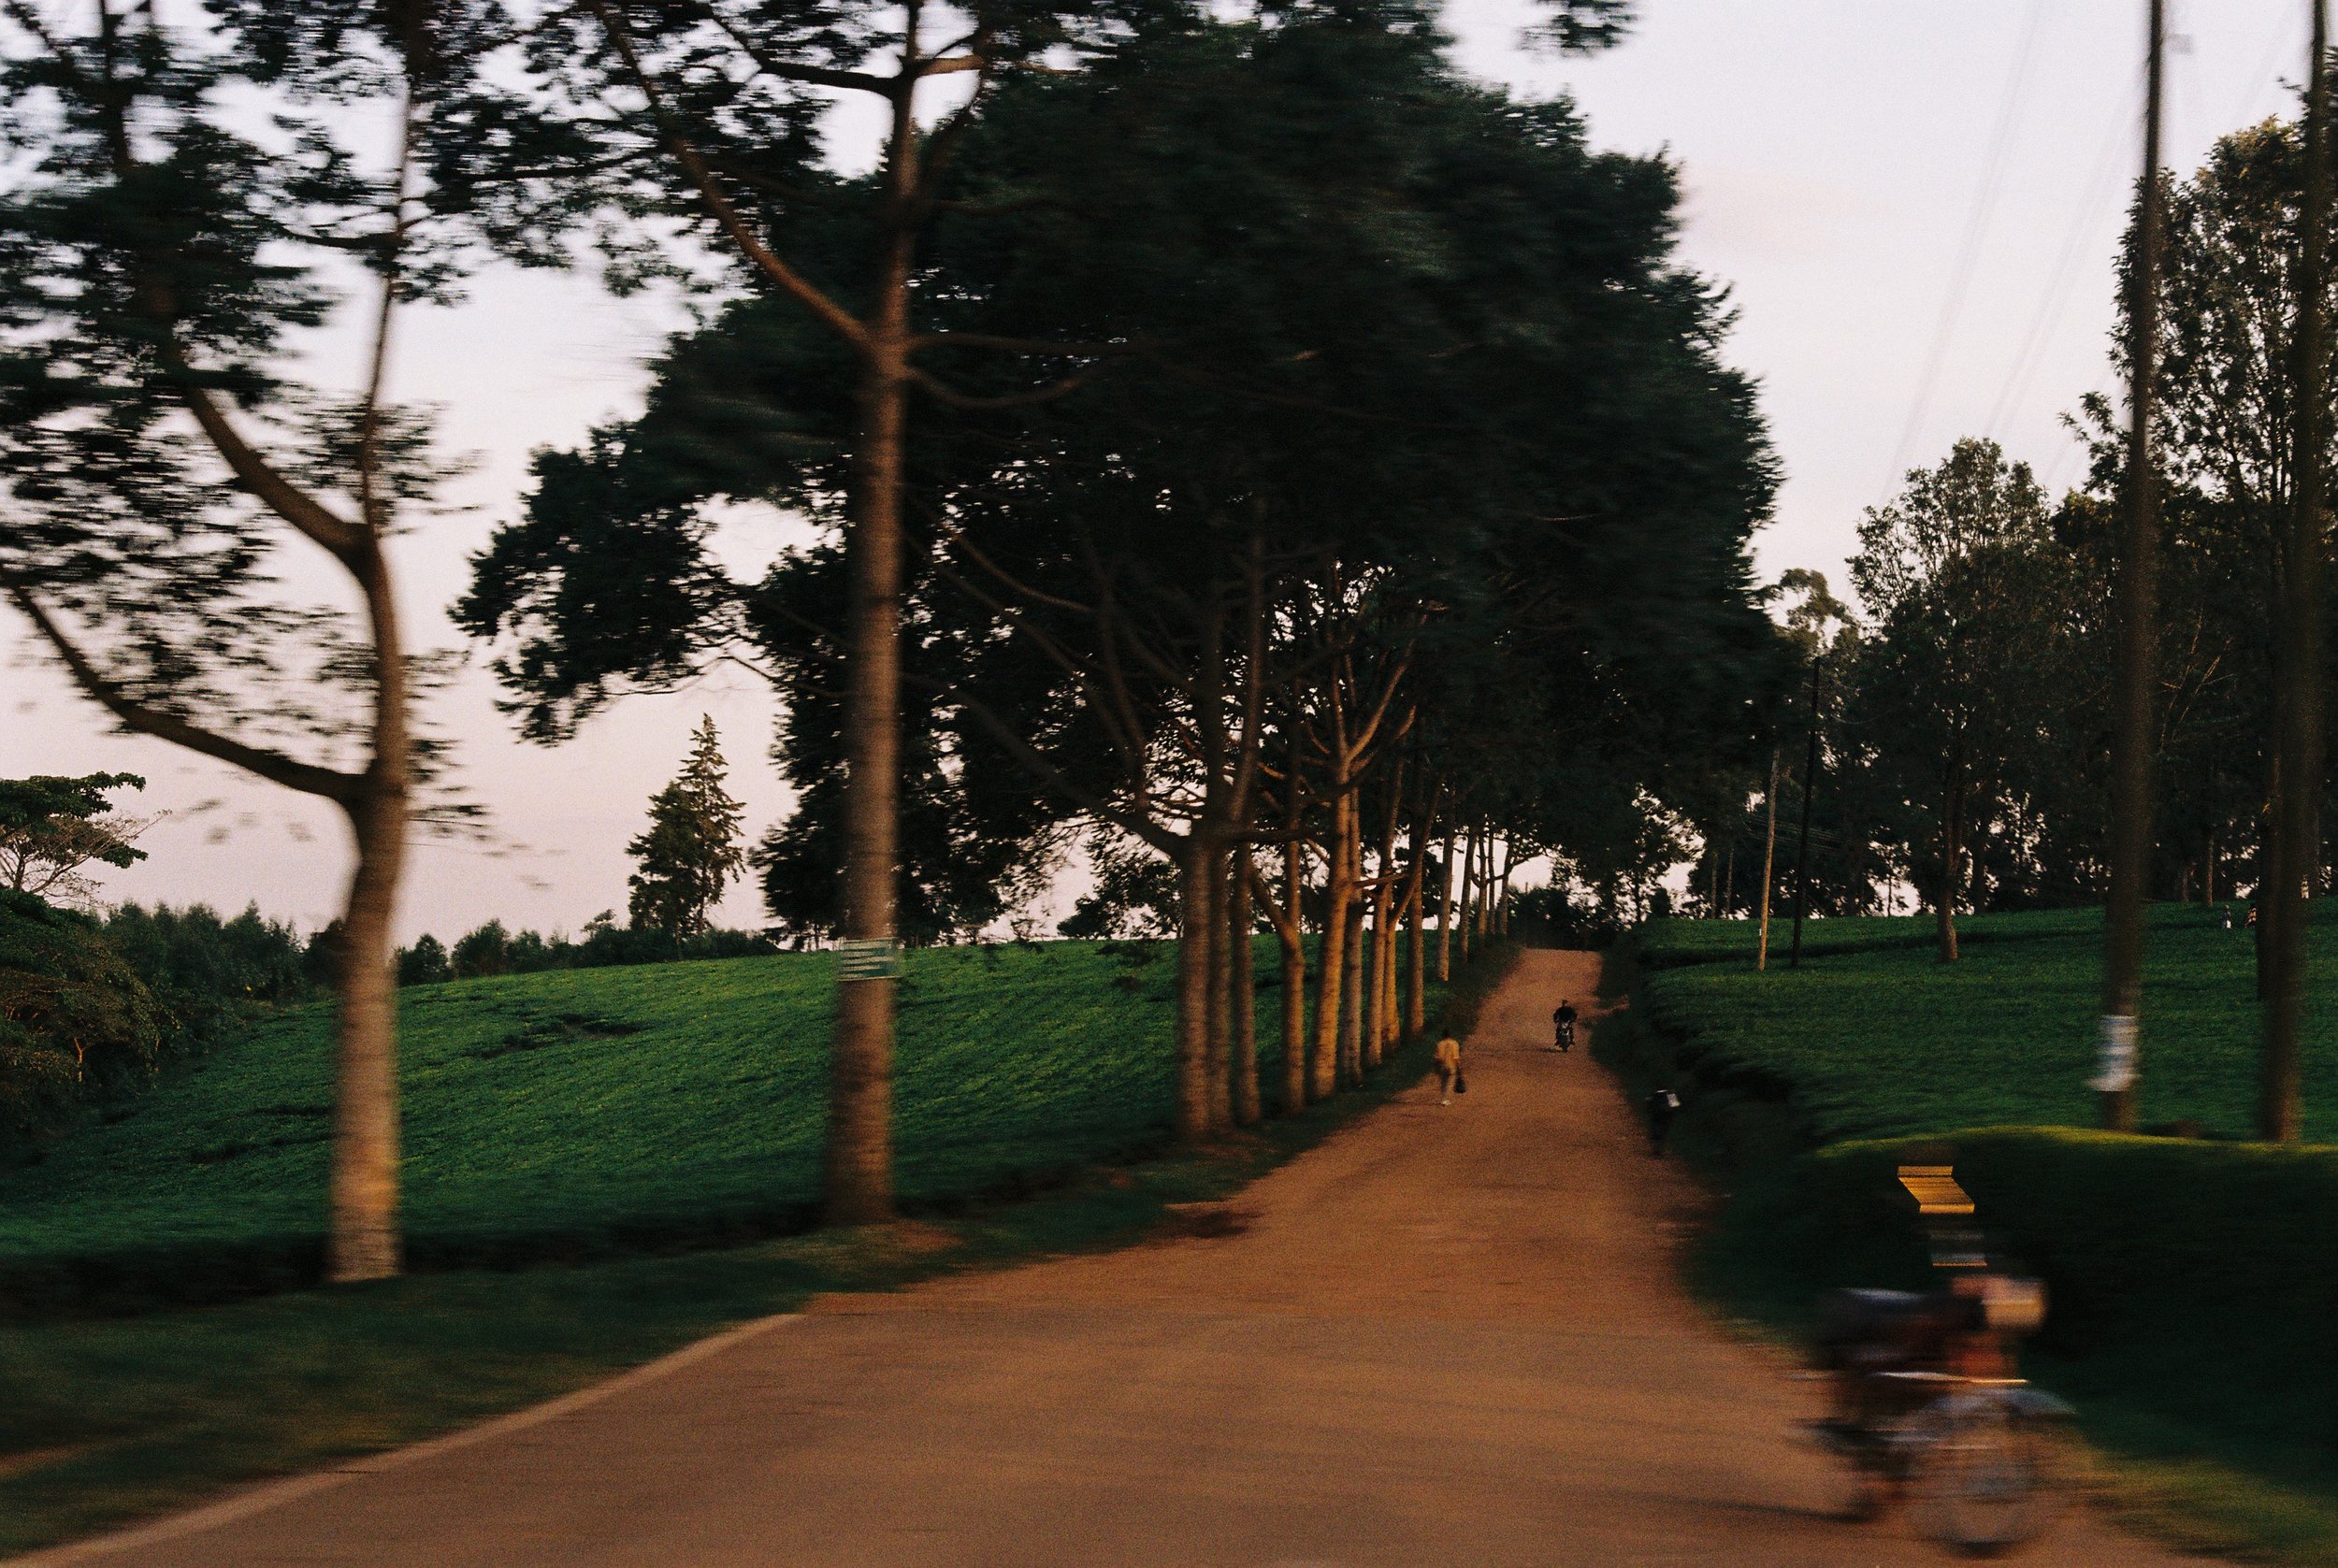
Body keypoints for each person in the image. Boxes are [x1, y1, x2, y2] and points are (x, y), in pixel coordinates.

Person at [1645, 1086, 1681, 1156]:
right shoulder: (1670, 1094)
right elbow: (1675, 1105)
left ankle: (1657, 1148)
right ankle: (1659, 1148)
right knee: (1663, 1131)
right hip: (1666, 1115)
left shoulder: (1655, 1094)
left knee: (1656, 1130)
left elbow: (1648, 1103)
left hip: (1658, 1115)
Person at [1434, 1035, 1464, 1105]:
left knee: (1443, 1083)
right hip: (1451, 1066)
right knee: (1449, 1084)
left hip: (1442, 1066)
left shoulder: (1440, 1044)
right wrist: (1459, 1067)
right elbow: (1456, 1058)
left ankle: (1443, 1098)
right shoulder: (1454, 1043)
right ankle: (1446, 1099)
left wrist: (1436, 1068)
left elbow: (1437, 1057)